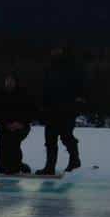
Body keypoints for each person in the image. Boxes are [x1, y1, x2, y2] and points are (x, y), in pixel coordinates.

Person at [37, 44, 85, 175]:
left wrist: (79, 100)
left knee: (66, 135)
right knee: (50, 138)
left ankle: (75, 160)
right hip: (51, 108)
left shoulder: (72, 66)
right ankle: (49, 167)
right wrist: (43, 106)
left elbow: (80, 84)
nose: (55, 51)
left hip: (67, 108)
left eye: (58, 49)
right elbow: (45, 88)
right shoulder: (49, 67)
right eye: (54, 49)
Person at [0, 73, 36, 175]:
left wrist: (21, 123)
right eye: (7, 81)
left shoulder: (23, 94)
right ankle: (5, 168)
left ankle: (16, 167)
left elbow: (30, 111)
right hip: (4, 127)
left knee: (13, 144)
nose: (9, 83)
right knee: (3, 146)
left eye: (11, 81)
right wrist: (6, 125)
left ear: (15, 82)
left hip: (21, 127)